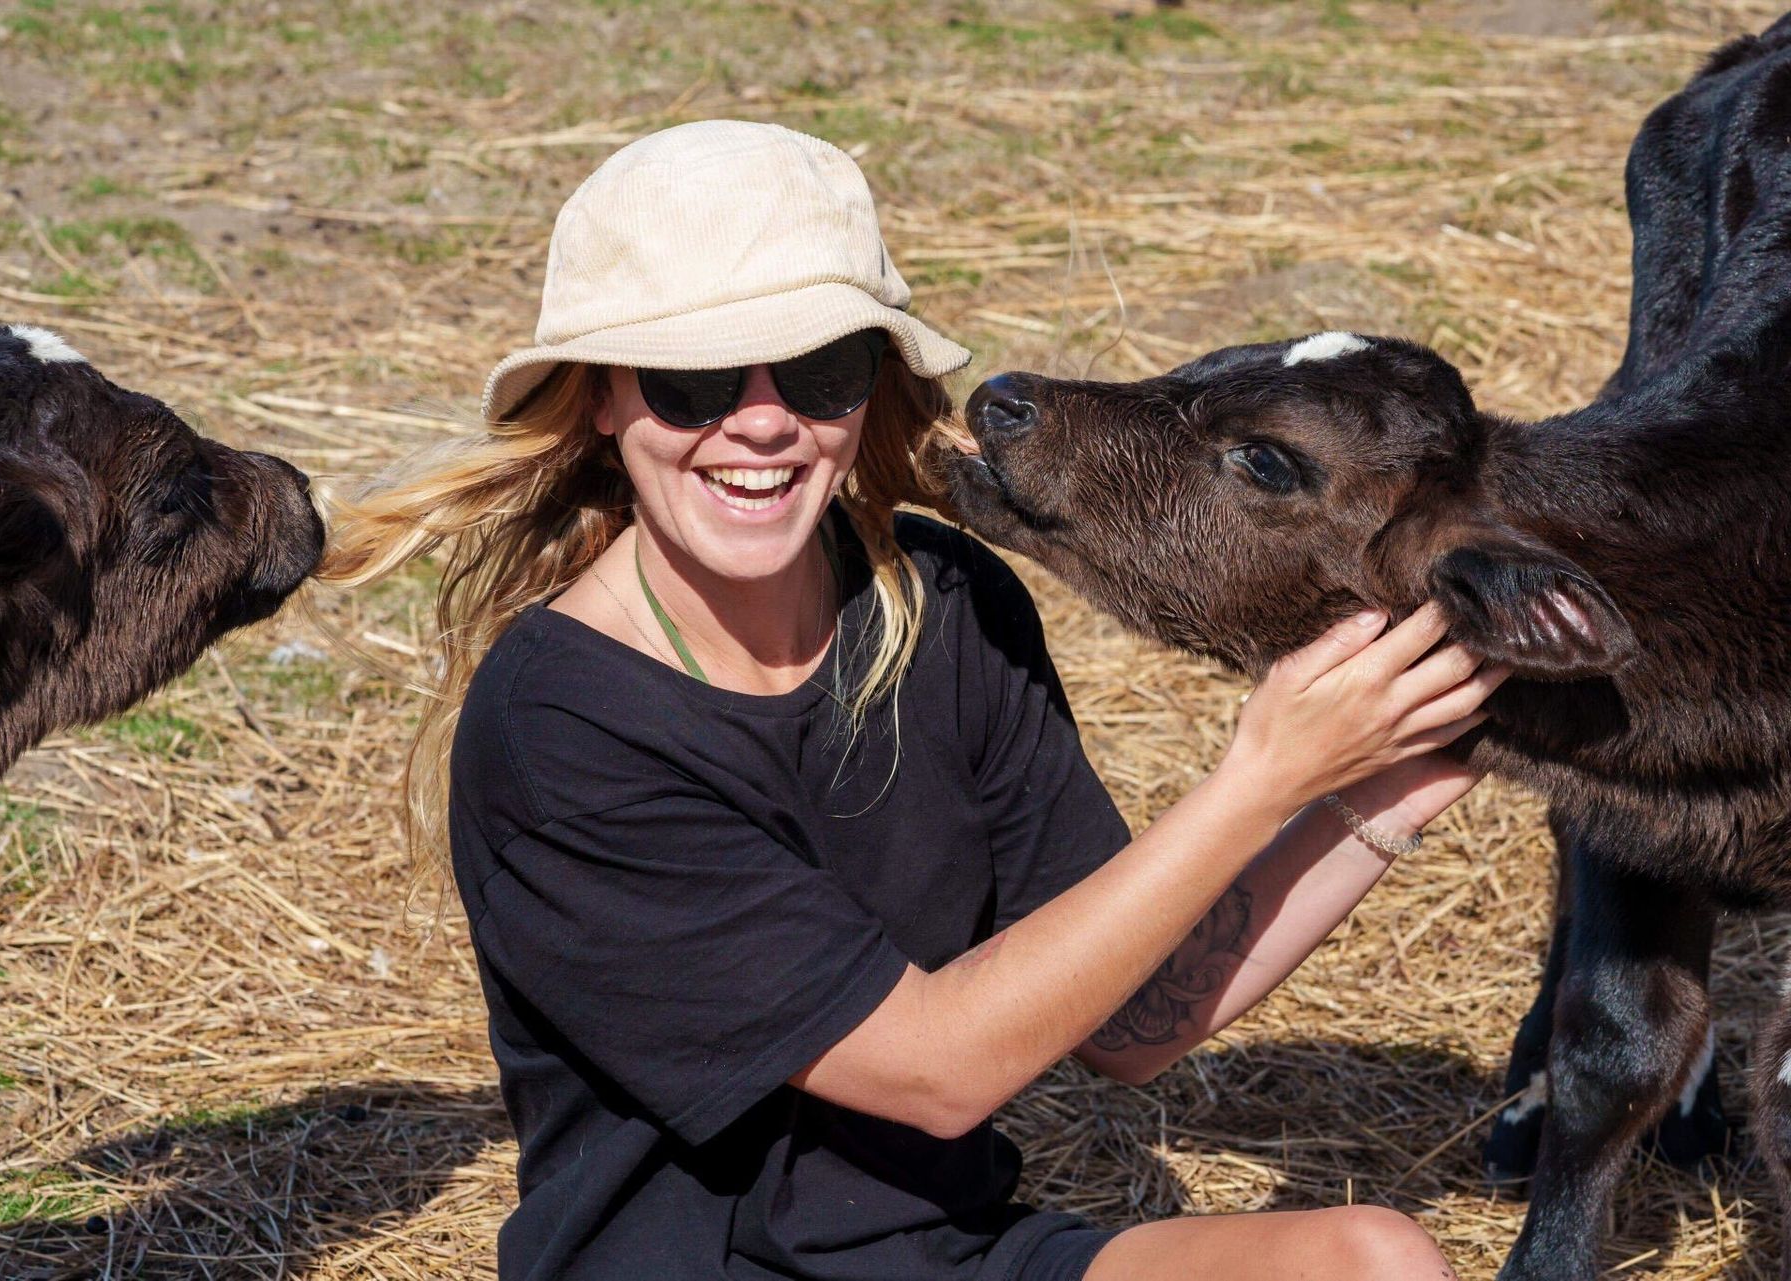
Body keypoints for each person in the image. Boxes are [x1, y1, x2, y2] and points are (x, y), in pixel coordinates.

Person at [320, 120, 1499, 1281]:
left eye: (822, 368)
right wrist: (1266, 775)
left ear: (870, 387)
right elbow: (933, 1071)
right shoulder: (563, 727)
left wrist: (1392, 783)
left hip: (964, 1259)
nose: (765, 418)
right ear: (600, 402)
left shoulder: (943, 602)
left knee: (1368, 1257)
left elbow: (1136, 1024)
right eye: (693, 381)